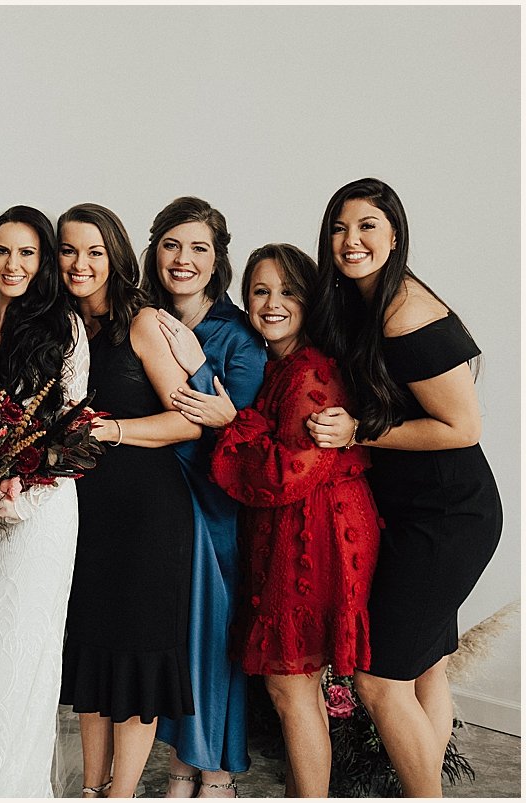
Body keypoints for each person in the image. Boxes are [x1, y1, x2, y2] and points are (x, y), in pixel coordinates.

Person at [305, 178, 501, 797]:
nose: (351, 240)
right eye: (339, 227)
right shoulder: (359, 304)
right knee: (424, 673)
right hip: (415, 510)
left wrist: (358, 433)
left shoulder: (404, 312)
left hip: (448, 516)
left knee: (378, 678)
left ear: (395, 234)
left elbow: (462, 427)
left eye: (367, 226)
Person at [176, 243, 382, 796]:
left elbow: (284, 472)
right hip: (295, 534)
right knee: (293, 690)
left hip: (315, 539)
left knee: (293, 690)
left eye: (288, 291)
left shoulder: (312, 372)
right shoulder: (279, 365)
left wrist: (228, 422)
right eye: (261, 290)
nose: (272, 303)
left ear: (311, 300)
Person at [56, 203, 199, 799]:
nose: (80, 263)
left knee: (137, 659)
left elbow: (187, 422)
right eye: (68, 250)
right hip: (85, 514)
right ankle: (91, 790)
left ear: (115, 255)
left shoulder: (143, 323)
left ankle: (122, 794)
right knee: (93, 651)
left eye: (94, 251)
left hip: (147, 515)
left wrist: (110, 431)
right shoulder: (60, 324)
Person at [0, 205, 87, 797]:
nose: (12, 263)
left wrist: (17, 479)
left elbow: (72, 428)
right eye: (2, 250)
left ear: (44, 259)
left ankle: (12, 788)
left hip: (37, 513)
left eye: (27, 252)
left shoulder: (64, 327)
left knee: (20, 656)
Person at [144, 197, 265, 797]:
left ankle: (217, 769)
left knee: (214, 637)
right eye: (171, 245)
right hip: (152, 503)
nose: (183, 259)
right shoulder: (140, 319)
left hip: (214, 504)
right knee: (167, 635)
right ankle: (180, 762)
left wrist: (194, 368)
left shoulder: (240, 335)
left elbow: (231, 423)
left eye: (198, 248)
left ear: (217, 260)